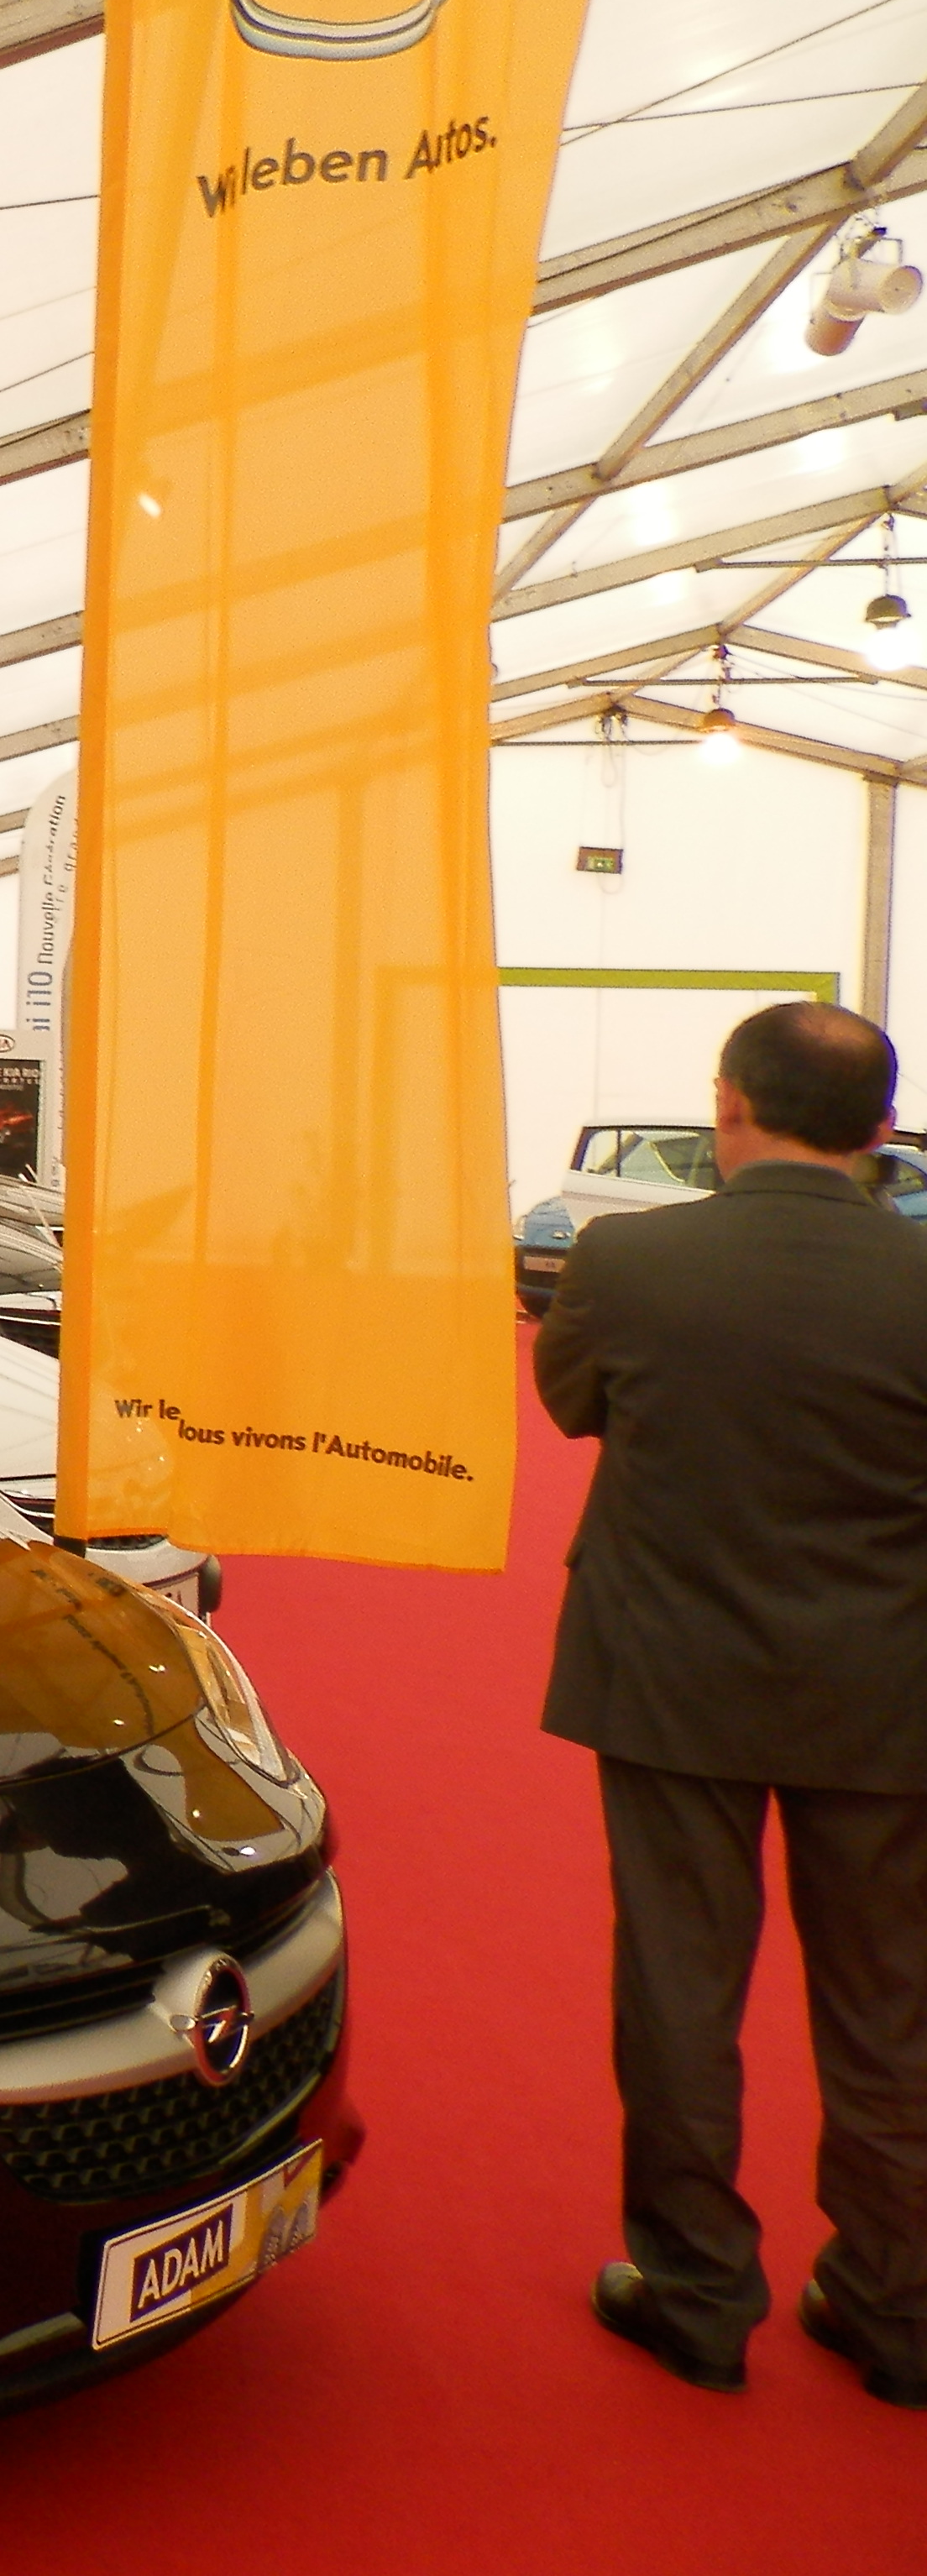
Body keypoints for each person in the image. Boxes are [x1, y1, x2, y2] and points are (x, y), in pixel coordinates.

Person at [537, 998, 927, 2408]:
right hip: (889, 1698)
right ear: (880, 1127)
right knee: (891, 2014)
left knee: (678, 1991)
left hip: (667, 1679)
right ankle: (893, 2306)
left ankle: (695, 2294)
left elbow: (571, 1405)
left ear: (725, 1105)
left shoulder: (624, 1256)